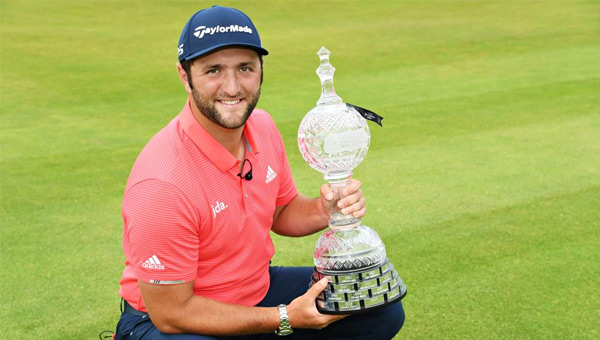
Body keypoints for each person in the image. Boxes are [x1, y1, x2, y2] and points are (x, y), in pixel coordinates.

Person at [114, 5, 405, 340]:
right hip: (165, 321)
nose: (233, 87)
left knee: (377, 309)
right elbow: (172, 313)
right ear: (185, 75)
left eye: (245, 68)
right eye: (213, 71)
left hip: (255, 290)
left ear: (261, 68)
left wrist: (325, 209)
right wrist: (285, 316)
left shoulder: (261, 126)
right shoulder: (161, 185)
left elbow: (280, 211)